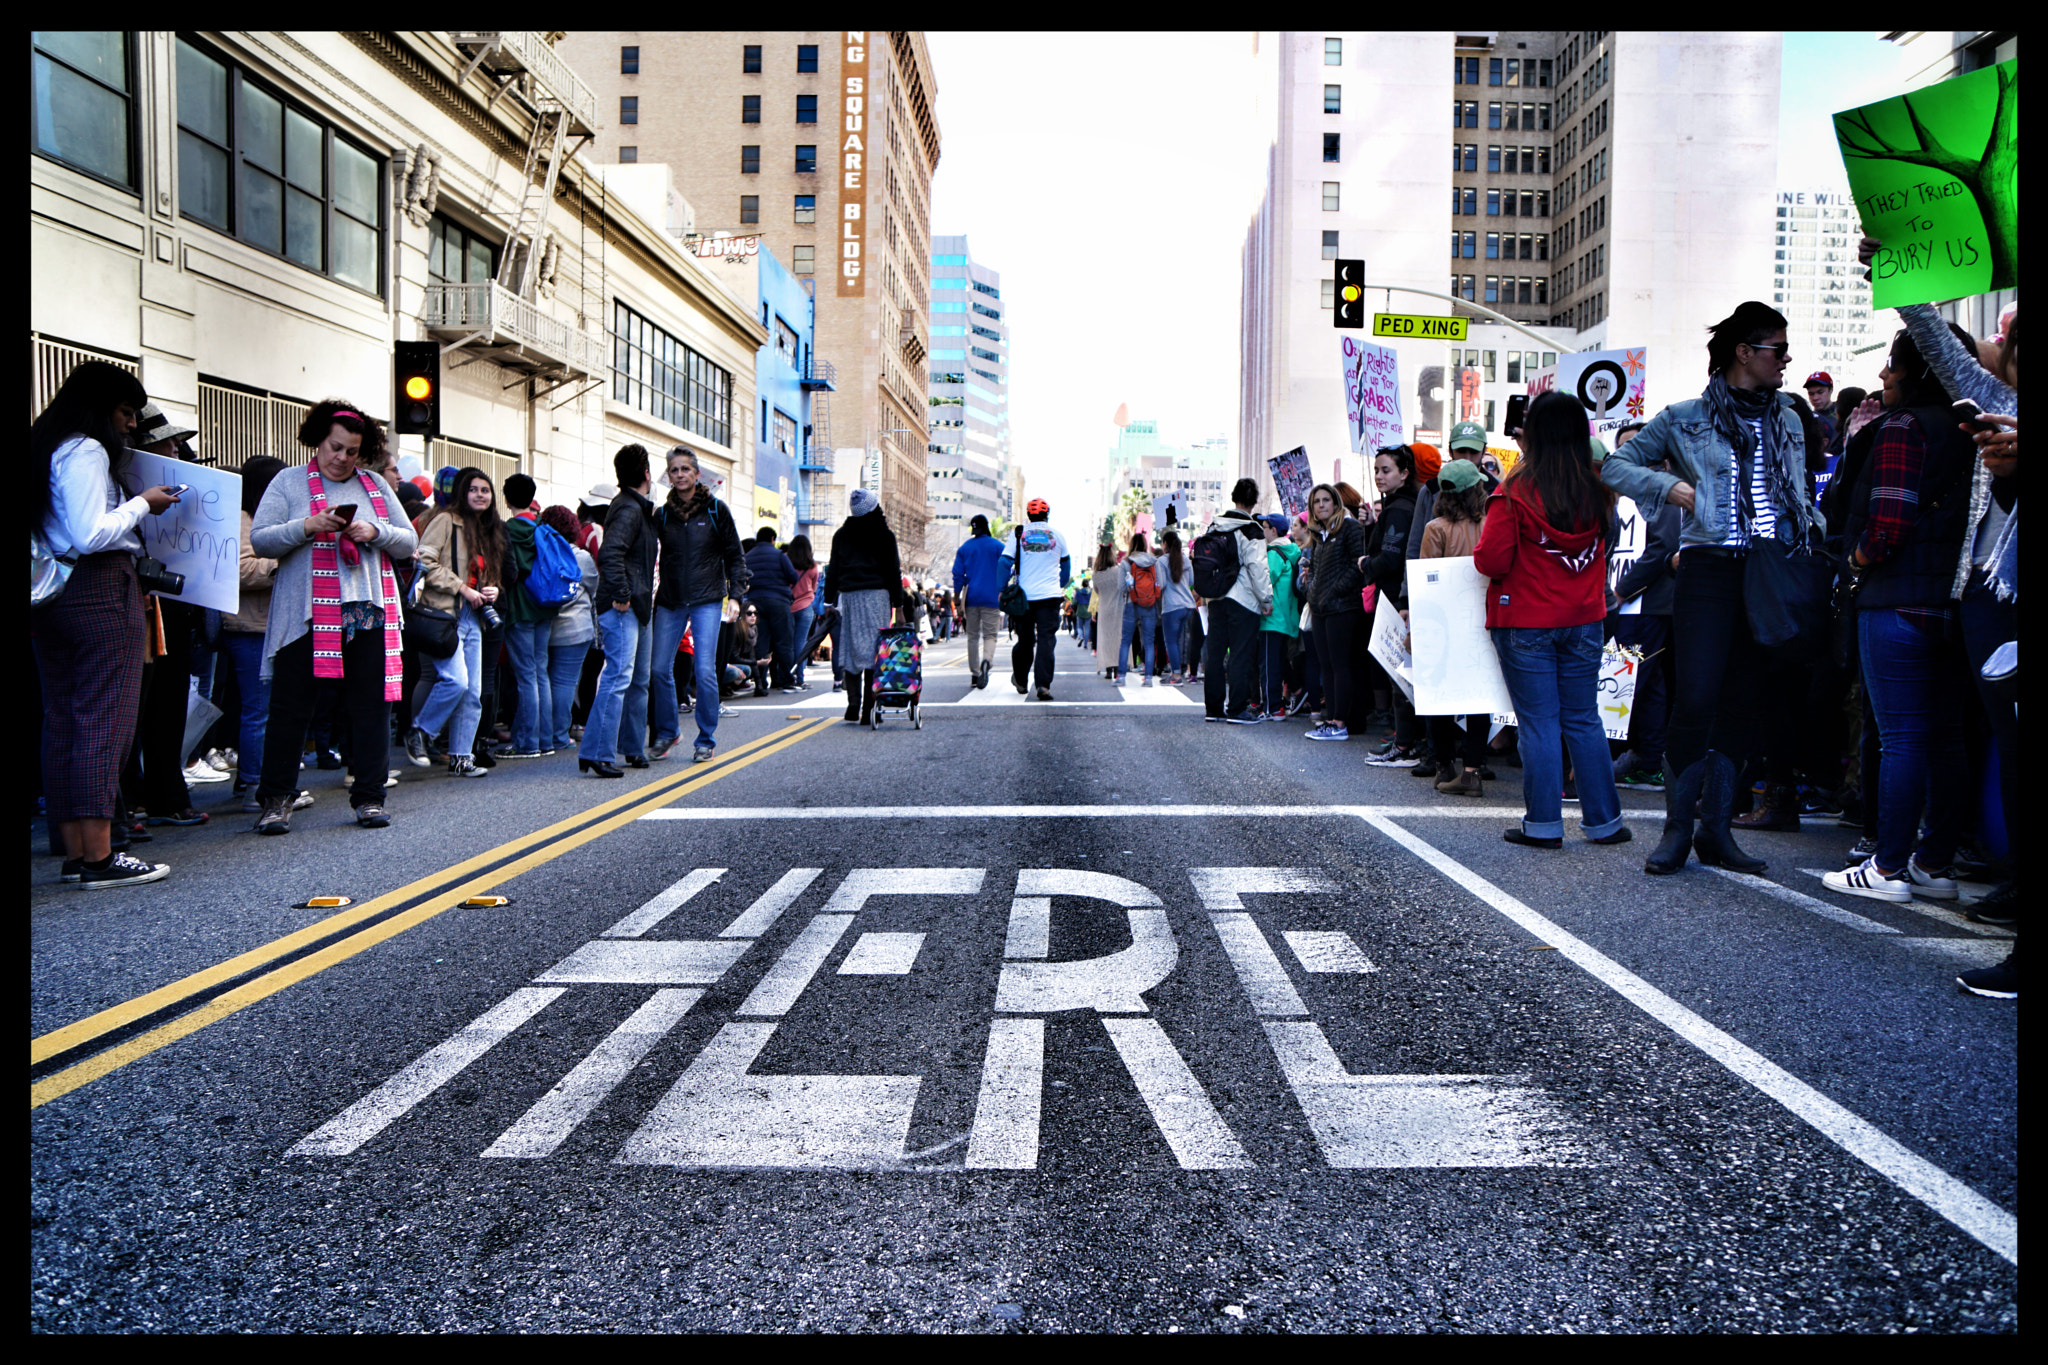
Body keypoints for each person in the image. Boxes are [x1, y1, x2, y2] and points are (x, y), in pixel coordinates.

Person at [1601, 300, 1821, 876]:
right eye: (1777, 349)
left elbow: (1799, 492)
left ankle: (1715, 830)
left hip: (1767, 569)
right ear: (1744, 353)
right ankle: (1676, 831)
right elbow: (1615, 466)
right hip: (1707, 567)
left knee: (1742, 701)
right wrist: (1670, 487)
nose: (1786, 359)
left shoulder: (1791, 418)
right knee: (1695, 697)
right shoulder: (1684, 416)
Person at [1821, 325, 1983, 905]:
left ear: (1919, 370)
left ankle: (1887, 866)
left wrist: (1860, 561)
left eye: (1892, 364)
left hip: (1897, 600)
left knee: (1901, 737)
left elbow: (1887, 525)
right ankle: (1932, 864)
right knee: (1944, 738)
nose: (1884, 375)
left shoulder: (1903, 426)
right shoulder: (1973, 428)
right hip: (1952, 603)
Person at [33, 362, 182, 886]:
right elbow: (92, 533)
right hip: (97, 590)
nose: (130, 425)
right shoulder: (86, 450)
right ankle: (99, 857)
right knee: (104, 720)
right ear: (101, 409)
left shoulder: (49, 446)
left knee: (65, 722)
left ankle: (77, 852)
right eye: (125, 412)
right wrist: (143, 502)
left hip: (54, 597)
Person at [248, 400, 418, 832]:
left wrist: (374, 532)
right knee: (290, 708)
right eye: (335, 447)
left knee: (371, 707)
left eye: (352, 451)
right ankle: (276, 799)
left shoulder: (376, 485)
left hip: (365, 612)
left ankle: (370, 798)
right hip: (305, 614)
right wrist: (308, 526)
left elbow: (408, 541)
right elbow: (261, 541)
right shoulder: (288, 482)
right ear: (317, 440)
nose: (342, 458)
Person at [1475, 391, 1628, 848]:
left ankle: (1543, 824)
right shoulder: (1599, 490)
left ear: (1533, 434)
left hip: (1526, 620)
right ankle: (1605, 822)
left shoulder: (1514, 492)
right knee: (1583, 719)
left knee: (1539, 722)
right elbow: (1609, 545)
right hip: (1583, 618)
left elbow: (1491, 560)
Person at [220, 455, 312, 818]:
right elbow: (241, 569)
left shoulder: (267, 518)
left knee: (267, 708)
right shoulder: (244, 520)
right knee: (259, 710)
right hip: (249, 625)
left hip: (269, 624)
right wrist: (284, 563)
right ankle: (257, 785)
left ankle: (254, 780)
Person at [649, 446, 748, 762]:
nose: (679, 475)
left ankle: (705, 738)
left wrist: (736, 597)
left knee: (705, 669)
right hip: (670, 599)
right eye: (674, 470)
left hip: (707, 598)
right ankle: (667, 732)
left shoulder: (717, 511)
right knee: (657, 668)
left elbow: (735, 555)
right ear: (669, 475)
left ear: (696, 473)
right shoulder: (661, 515)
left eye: (685, 469)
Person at [408, 467, 503, 780]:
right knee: (456, 681)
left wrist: (493, 588)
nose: (480, 495)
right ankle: (421, 731)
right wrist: (461, 587)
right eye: (473, 489)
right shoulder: (446, 520)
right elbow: (424, 560)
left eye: (485, 490)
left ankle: (462, 756)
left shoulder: (489, 530)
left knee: (473, 691)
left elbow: (487, 573)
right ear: (463, 493)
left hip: (473, 616)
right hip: (443, 613)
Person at [1606, 423, 1680, 794]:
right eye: (1623, 449)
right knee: (1645, 684)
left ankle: (1642, 759)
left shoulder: (1663, 491)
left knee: (1635, 684)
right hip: (1628, 604)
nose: (1629, 454)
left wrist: (1622, 589)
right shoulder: (1625, 492)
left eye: (1636, 446)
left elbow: (1662, 547)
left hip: (1645, 604)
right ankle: (1648, 757)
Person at [578, 445, 659, 777]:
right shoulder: (629, 508)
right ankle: (598, 752)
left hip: (636, 604)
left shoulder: (633, 507)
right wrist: (623, 594)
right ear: (646, 474)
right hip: (624, 604)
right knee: (619, 678)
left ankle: (630, 747)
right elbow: (610, 554)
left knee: (637, 680)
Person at [1416, 459, 1492, 795]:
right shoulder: (1491, 523)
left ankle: (1444, 765)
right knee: (1480, 694)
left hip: (1445, 619)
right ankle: (1473, 769)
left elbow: (1426, 581)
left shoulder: (1435, 528)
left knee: (1440, 693)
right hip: (1483, 617)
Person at [1361, 445, 1426, 765]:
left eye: (1386, 470)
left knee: (1401, 673)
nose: (1379, 476)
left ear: (1404, 473)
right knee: (1401, 672)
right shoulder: (1401, 505)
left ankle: (1406, 744)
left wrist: (1364, 564)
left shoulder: (1400, 508)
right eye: (1376, 470)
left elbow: (1391, 557)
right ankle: (1406, 741)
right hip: (1401, 598)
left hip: (1398, 600)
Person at [823, 487, 906, 724]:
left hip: (849, 597)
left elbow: (833, 570)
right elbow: (894, 573)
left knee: (851, 649)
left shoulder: (841, 535)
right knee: (875, 651)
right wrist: (898, 607)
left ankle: (852, 705)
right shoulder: (885, 535)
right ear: (874, 507)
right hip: (877, 598)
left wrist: (829, 601)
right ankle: (870, 707)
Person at [494, 473, 561, 759]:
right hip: (544, 606)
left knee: (525, 676)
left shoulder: (504, 530)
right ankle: (545, 740)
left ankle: (527, 743)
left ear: (506, 499)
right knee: (540, 673)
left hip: (519, 608)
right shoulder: (543, 528)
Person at [1199, 479, 1274, 723]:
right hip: (1243, 600)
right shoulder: (1251, 529)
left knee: (1215, 652)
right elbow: (1257, 568)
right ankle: (1237, 709)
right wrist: (1266, 599)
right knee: (1240, 655)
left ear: (1234, 497)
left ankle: (1213, 709)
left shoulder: (1215, 526)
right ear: (1254, 502)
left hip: (1217, 598)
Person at [1301, 483, 1365, 741]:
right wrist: (1314, 592)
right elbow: (1314, 570)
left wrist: (1334, 590)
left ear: (1336, 503)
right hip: (1320, 608)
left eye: (1326, 500)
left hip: (1343, 607)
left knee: (1340, 665)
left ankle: (1340, 721)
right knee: (1325, 666)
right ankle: (1331, 720)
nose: (1322, 505)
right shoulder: (1319, 534)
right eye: (1317, 501)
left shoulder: (1349, 527)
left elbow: (1357, 564)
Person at [538, 505, 598, 757]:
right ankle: (559, 735)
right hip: (575, 628)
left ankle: (541, 734)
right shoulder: (581, 557)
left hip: (544, 626)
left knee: (543, 681)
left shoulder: (538, 553)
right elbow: (594, 588)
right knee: (565, 683)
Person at [1001, 498, 1073, 699]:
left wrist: (1001, 588)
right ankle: (1043, 685)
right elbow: (1066, 568)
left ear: (1029, 515)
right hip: (1049, 597)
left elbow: (1004, 562)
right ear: (1047, 515)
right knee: (1046, 641)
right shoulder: (1057, 536)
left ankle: (1021, 680)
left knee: (1025, 640)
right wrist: (1058, 584)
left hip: (1023, 598)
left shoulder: (1018, 534)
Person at [952, 513, 1007, 688]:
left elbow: (958, 574)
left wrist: (956, 595)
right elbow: (1007, 568)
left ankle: (975, 674)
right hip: (992, 596)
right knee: (990, 635)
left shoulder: (964, 548)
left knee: (973, 636)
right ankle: (987, 660)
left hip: (971, 596)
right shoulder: (999, 547)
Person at [744, 527, 802, 692]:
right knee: (784, 642)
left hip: (755, 603)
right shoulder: (779, 556)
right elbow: (793, 577)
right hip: (779, 602)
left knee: (760, 643)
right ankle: (786, 679)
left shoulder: (748, 557)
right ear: (772, 539)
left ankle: (761, 682)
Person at [1120, 531, 1164, 686]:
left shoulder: (1126, 562)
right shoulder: (1153, 561)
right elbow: (1161, 583)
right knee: (1149, 642)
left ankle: (1121, 677)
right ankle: (1149, 678)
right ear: (1145, 545)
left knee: (1126, 640)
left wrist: (1132, 588)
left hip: (1131, 603)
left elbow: (1121, 587)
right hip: (1149, 604)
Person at [1157, 529, 1196, 685]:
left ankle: (1176, 676)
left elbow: (1161, 584)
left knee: (1171, 641)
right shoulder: (1185, 559)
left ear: (1165, 544)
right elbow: (1192, 580)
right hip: (1188, 605)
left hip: (1172, 606)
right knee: (1178, 640)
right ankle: (1178, 671)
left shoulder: (1161, 561)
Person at [788, 535, 821, 687]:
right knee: (801, 643)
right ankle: (800, 677)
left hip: (788, 606)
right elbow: (814, 588)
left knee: (787, 643)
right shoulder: (812, 566)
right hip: (806, 606)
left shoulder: (786, 561)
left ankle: (787, 676)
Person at [1089, 543, 1124, 681]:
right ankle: (1117, 669)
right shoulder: (1118, 571)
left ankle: (1108, 670)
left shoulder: (1096, 575)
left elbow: (1097, 591)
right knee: (1117, 639)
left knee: (1105, 640)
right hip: (1118, 608)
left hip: (1104, 609)